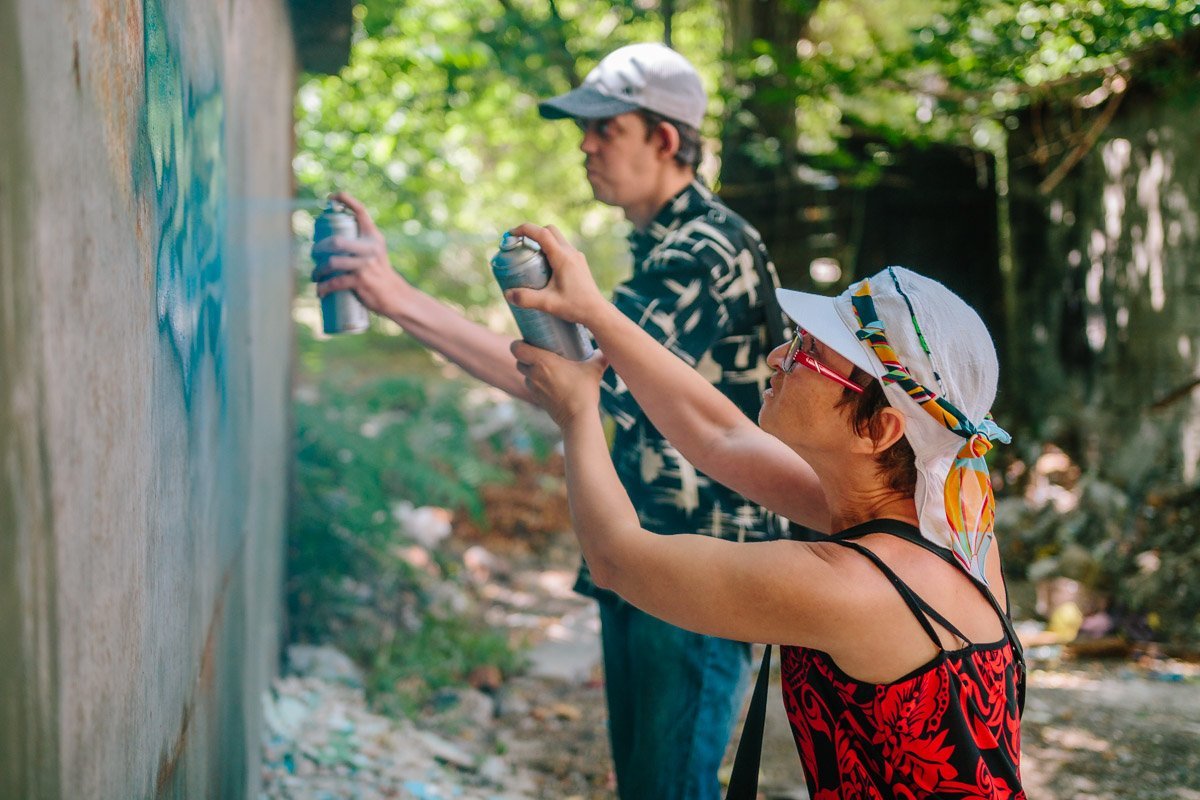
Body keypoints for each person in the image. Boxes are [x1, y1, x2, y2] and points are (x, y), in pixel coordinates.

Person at [313, 43, 787, 799]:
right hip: (650, 551)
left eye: (607, 128)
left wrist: (394, 295)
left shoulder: (707, 248)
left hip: (703, 570)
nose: (585, 144)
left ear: (665, 139)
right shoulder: (662, 244)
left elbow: (574, 385)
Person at [504, 224, 1027, 798]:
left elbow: (618, 560)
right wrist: (596, 314)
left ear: (879, 429)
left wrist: (578, 415)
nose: (781, 355)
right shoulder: (947, 521)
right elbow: (720, 437)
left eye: (810, 353)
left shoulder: (855, 587)